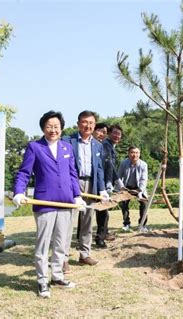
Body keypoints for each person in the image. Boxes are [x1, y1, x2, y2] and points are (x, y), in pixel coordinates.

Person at [13, 111, 83, 298]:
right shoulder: (34, 147)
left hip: (67, 202)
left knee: (62, 243)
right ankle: (42, 280)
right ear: (43, 128)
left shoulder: (67, 148)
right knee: (43, 244)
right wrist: (19, 192)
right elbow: (24, 173)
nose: (53, 130)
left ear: (61, 128)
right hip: (45, 202)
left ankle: (57, 276)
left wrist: (77, 195)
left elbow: (72, 174)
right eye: (49, 126)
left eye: (56, 126)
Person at [62, 110, 108, 269]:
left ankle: (84, 254)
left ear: (94, 126)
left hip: (91, 185)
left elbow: (100, 169)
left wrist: (102, 189)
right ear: (78, 124)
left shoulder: (98, 145)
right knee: (69, 222)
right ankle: (63, 258)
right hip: (72, 184)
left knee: (88, 221)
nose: (88, 126)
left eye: (91, 123)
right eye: (85, 122)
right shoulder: (67, 141)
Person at [96, 123, 124, 248]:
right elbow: (108, 167)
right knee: (102, 210)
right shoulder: (106, 145)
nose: (117, 136)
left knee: (103, 211)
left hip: (105, 182)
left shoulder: (110, 147)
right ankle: (100, 238)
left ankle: (104, 233)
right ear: (109, 134)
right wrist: (117, 182)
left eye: (119, 134)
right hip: (102, 183)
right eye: (115, 133)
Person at [117, 146, 149, 232]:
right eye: (132, 152)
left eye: (136, 152)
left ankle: (142, 224)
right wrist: (122, 188)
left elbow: (144, 179)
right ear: (128, 154)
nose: (134, 155)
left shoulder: (144, 164)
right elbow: (118, 176)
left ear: (139, 154)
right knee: (123, 204)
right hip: (126, 187)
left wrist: (139, 191)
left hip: (139, 188)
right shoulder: (123, 163)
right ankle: (126, 223)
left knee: (145, 203)